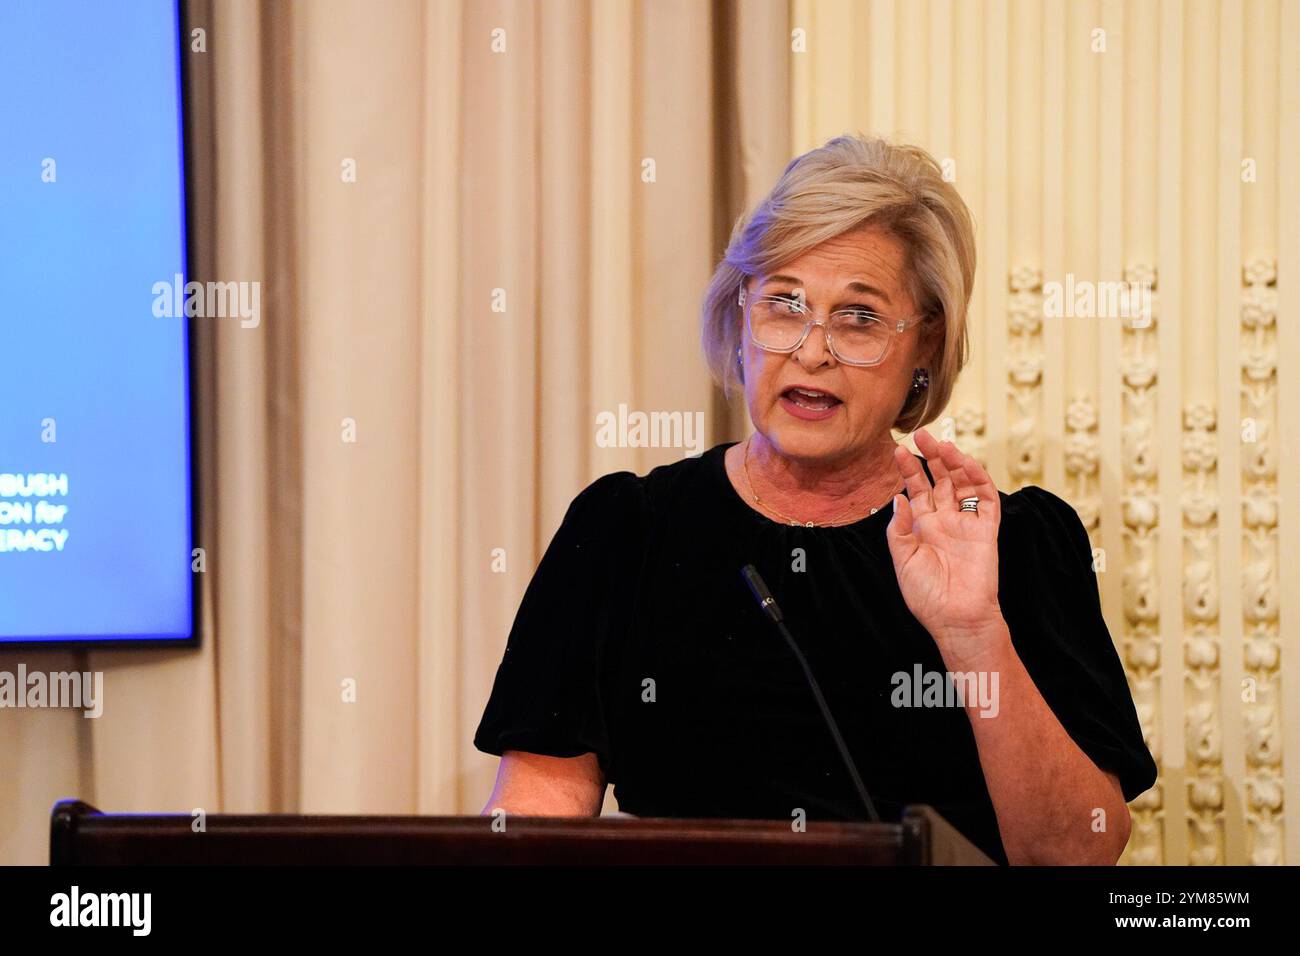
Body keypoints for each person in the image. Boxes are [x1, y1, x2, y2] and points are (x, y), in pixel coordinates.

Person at [473, 133, 1157, 865]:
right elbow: (535, 822)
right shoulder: (624, 533)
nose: (811, 349)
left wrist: (972, 633)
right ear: (740, 320)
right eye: (785, 304)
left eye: (858, 317)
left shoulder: (1006, 543)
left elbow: (1075, 856)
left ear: (926, 343)